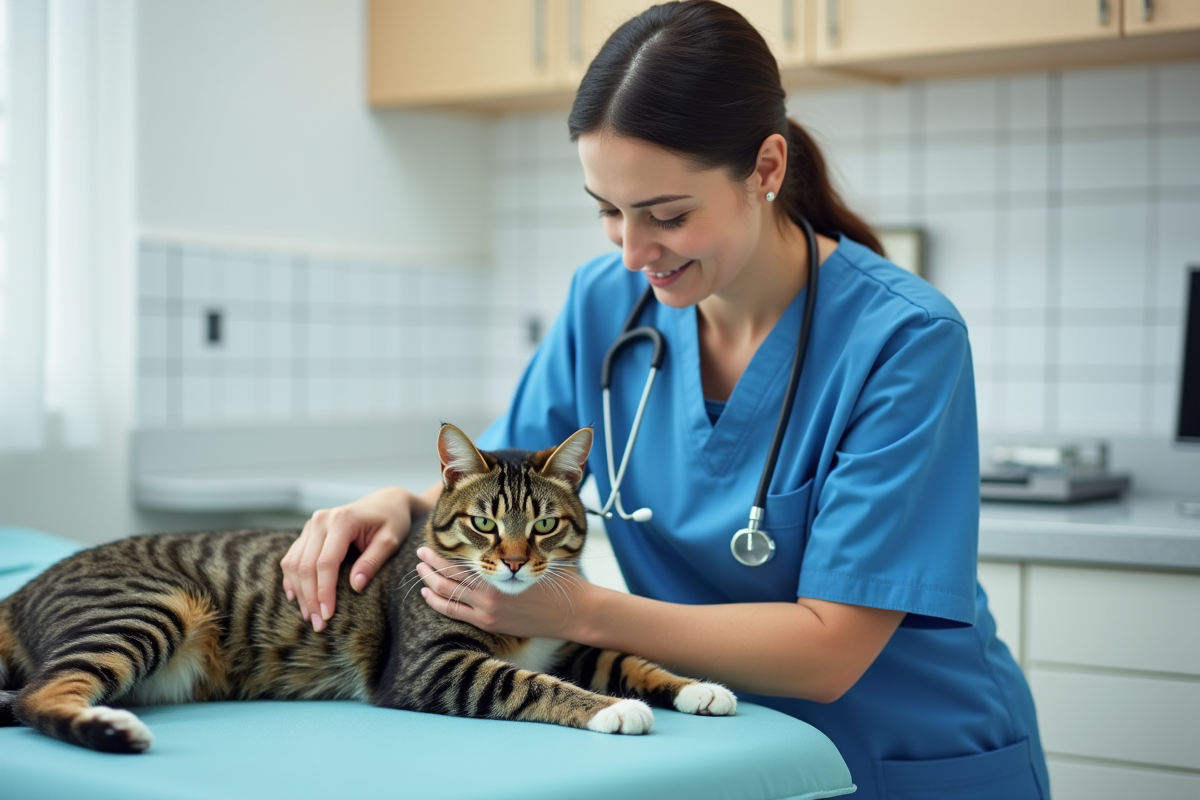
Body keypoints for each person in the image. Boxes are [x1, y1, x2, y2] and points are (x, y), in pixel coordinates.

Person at [280, 2, 1049, 797]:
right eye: (608, 211)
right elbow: (506, 481)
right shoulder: (603, 306)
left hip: (904, 757)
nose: (633, 252)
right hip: (719, 749)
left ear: (767, 169)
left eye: (668, 215)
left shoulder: (905, 339)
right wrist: (399, 504)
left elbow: (830, 652)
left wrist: (579, 613)